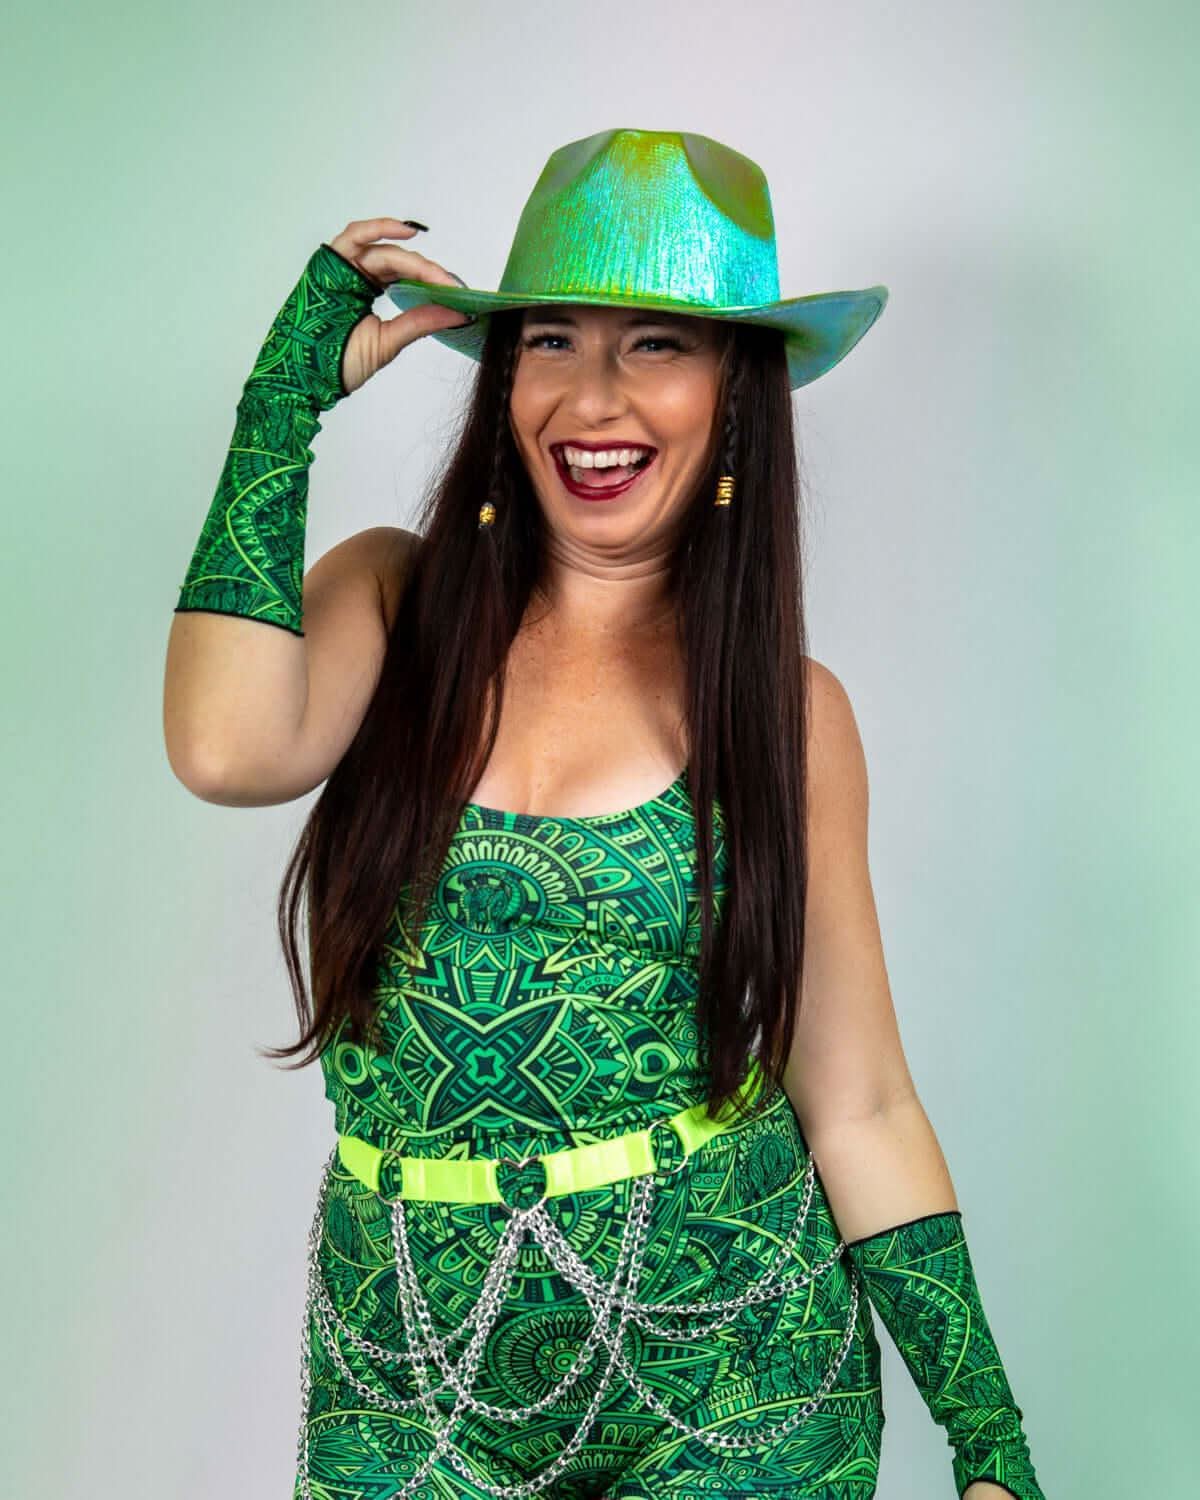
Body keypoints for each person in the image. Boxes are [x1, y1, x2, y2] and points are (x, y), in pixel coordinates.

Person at [163, 128, 1046, 1500]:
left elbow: (859, 1099)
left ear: (737, 395)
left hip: (734, 1367)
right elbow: (224, 746)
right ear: (502, 375)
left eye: (656, 346)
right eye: (553, 340)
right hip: (407, 1374)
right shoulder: (395, 605)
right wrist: (281, 403)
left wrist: (990, 1447)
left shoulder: (784, 714)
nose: (591, 397)